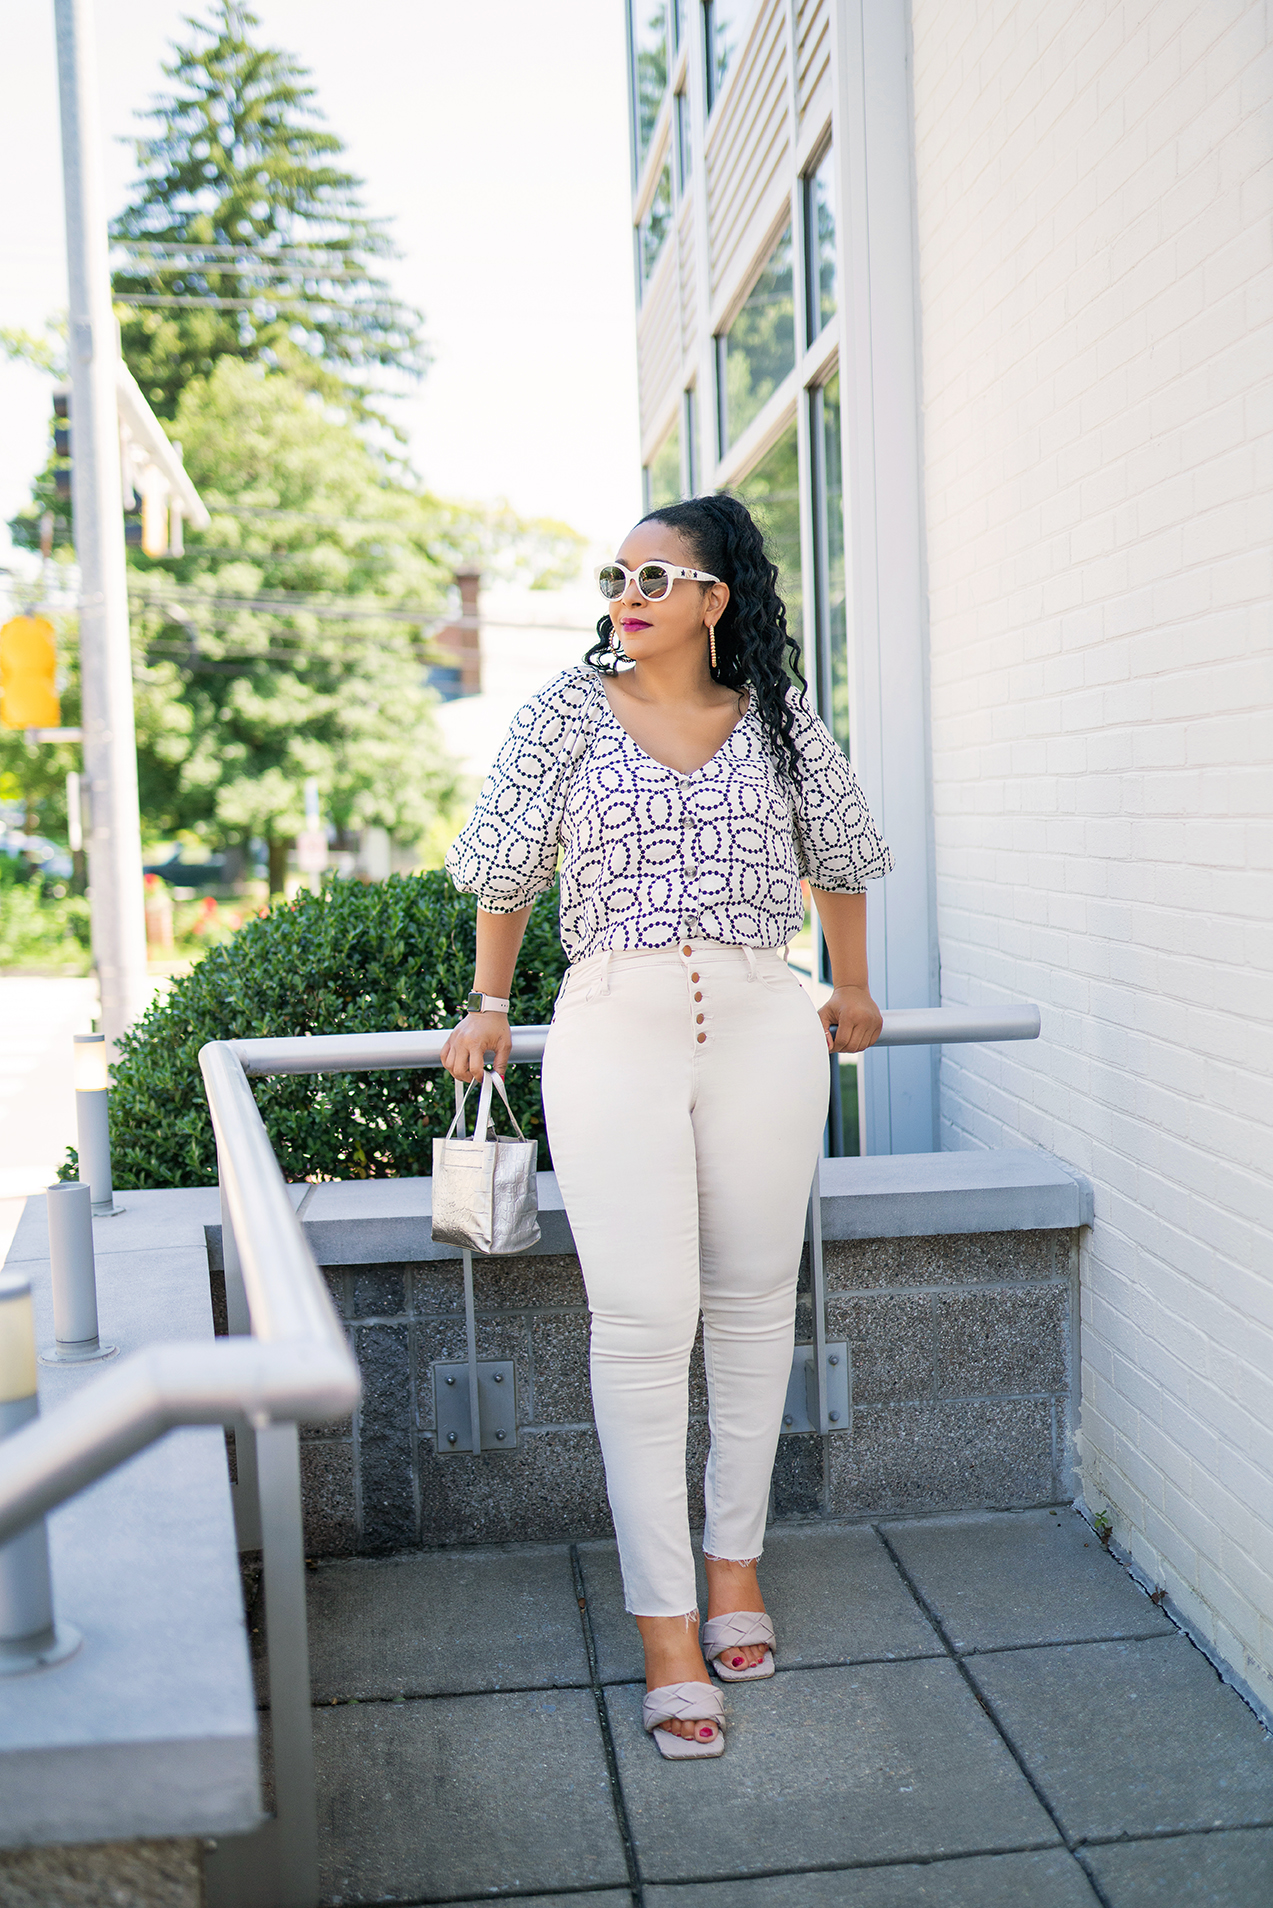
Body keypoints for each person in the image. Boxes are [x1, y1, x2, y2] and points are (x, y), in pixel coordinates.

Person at [442, 493, 891, 1760]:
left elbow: (841, 857)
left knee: (754, 1304)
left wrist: (848, 984)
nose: (624, 595)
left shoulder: (781, 724)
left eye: (654, 575)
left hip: (763, 1014)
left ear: (714, 601)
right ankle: (665, 1629)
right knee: (640, 1323)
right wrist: (487, 1003)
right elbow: (504, 871)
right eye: (614, 576)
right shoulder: (565, 717)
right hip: (612, 1020)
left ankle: (735, 1564)